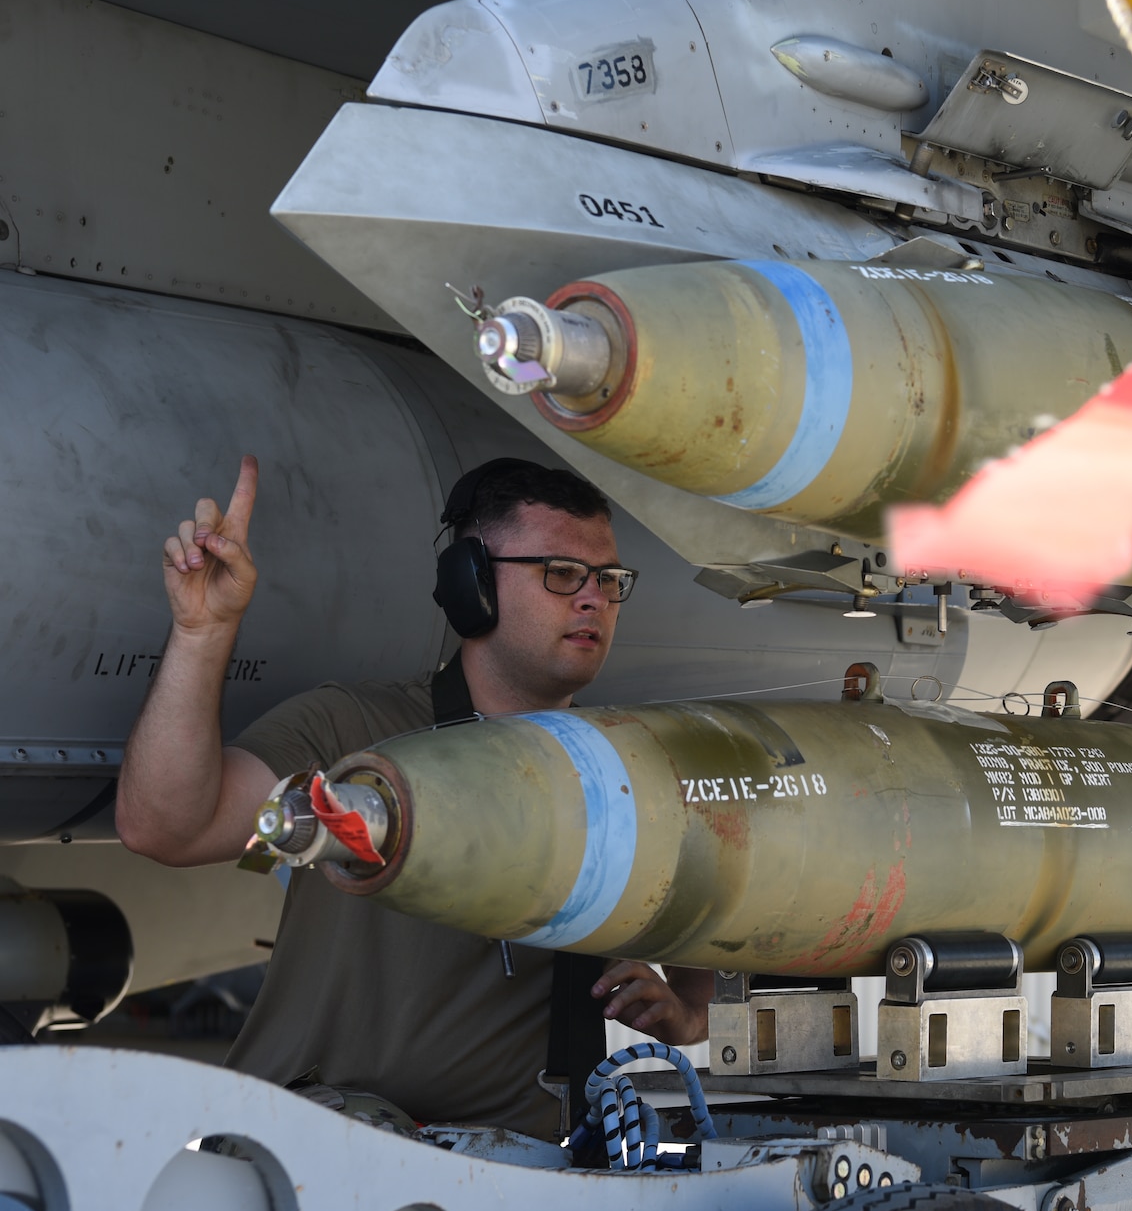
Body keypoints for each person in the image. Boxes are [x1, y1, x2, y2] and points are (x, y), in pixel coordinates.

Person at [117, 454, 712, 1141]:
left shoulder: (626, 763)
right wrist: (203, 630)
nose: (592, 599)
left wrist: (690, 1013)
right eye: (561, 573)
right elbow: (165, 827)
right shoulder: (352, 733)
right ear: (471, 583)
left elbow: (708, 892)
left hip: (533, 1182)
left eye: (609, 580)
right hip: (325, 1161)